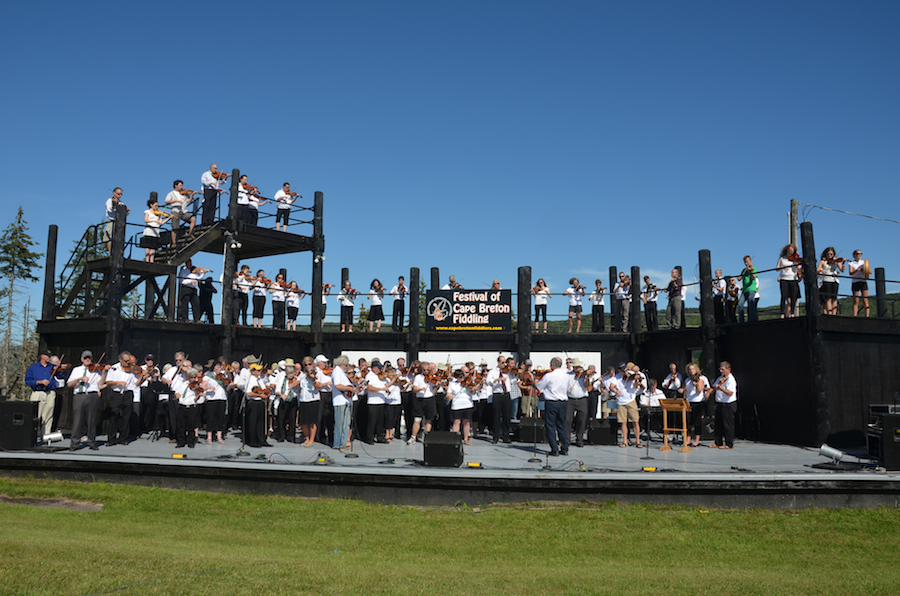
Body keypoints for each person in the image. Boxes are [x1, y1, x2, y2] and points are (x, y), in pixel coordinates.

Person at [66, 350, 102, 451]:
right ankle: (74, 443)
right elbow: (69, 384)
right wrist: (79, 379)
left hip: (92, 395)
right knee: (77, 420)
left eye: (89, 358)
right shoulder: (76, 370)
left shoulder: (96, 370)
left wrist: (104, 372)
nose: (87, 360)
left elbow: (101, 383)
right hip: (79, 395)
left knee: (91, 420)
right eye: (86, 358)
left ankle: (92, 442)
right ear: (82, 359)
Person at [536, 357, 572, 457]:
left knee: (550, 426)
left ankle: (554, 449)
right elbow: (569, 389)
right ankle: (564, 448)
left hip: (551, 402)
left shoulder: (549, 375)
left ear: (553, 365)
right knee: (562, 425)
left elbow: (539, 387)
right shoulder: (566, 376)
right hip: (562, 402)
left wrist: (534, 381)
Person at [101, 351, 138, 446]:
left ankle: (123, 438)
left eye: (129, 361)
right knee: (114, 415)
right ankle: (111, 439)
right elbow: (108, 382)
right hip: (116, 393)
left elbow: (136, 383)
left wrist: (143, 376)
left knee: (126, 416)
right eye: (126, 361)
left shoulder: (131, 369)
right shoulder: (114, 368)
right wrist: (118, 382)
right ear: (120, 360)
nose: (128, 363)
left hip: (128, 393)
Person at [25, 350, 61, 437]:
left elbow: (61, 376)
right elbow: (28, 381)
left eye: (50, 356)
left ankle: (46, 436)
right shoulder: (33, 367)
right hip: (38, 393)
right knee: (35, 415)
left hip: (50, 392)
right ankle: (32, 436)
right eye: (47, 356)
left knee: (48, 415)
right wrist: (40, 382)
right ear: (42, 356)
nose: (49, 358)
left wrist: (61, 369)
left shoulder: (52, 367)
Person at [331, 355, 358, 450]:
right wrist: (350, 389)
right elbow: (337, 385)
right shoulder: (336, 371)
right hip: (339, 401)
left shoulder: (342, 373)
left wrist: (355, 389)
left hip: (346, 400)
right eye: (346, 365)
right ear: (342, 364)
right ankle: (337, 444)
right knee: (339, 423)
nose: (347, 367)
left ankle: (343, 442)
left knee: (346, 423)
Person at [679, 362, 708, 447]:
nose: (691, 371)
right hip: (689, 401)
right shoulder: (687, 380)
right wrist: (681, 390)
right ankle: (688, 439)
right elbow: (684, 388)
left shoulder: (701, 378)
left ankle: (696, 440)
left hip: (698, 402)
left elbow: (699, 391)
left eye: (692, 369)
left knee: (697, 421)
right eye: (689, 369)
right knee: (688, 421)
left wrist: (696, 385)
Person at [709, 361, 737, 449]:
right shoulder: (720, 378)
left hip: (728, 404)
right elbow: (714, 387)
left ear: (728, 369)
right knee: (718, 424)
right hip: (720, 403)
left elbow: (730, 393)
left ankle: (729, 443)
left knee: (728, 425)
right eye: (720, 369)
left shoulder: (731, 379)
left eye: (722, 369)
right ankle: (718, 442)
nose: (720, 371)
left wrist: (721, 389)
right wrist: (709, 391)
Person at [408, 361, 437, 444]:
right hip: (420, 400)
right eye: (424, 370)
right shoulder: (418, 377)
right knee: (417, 419)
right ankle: (413, 437)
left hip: (430, 399)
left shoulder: (433, 377)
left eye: (428, 370)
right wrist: (420, 389)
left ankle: (426, 438)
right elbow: (414, 389)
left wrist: (438, 385)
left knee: (429, 420)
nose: (426, 372)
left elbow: (434, 391)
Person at [486, 356, 514, 443]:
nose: (504, 364)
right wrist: (498, 379)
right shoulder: (492, 372)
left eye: (505, 362)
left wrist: (517, 375)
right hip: (497, 395)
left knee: (506, 416)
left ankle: (506, 436)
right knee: (496, 416)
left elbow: (513, 380)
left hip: (506, 395)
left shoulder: (508, 371)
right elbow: (488, 381)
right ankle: (495, 436)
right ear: (498, 362)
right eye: (503, 362)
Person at [447, 368, 474, 445]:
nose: (462, 378)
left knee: (467, 422)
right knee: (456, 421)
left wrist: (474, 388)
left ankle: (466, 439)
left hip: (467, 404)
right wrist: (449, 397)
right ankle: (455, 439)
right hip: (457, 405)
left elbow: (472, 392)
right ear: (456, 377)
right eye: (460, 377)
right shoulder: (452, 384)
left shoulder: (468, 383)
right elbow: (448, 394)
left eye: (463, 376)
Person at [363, 360, 388, 444]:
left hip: (381, 401)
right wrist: (382, 389)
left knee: (380, 422)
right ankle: (369, 438)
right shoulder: (369, 376)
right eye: (379, 368)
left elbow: (386, 385)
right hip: (373, 402)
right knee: (372, 421)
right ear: (374, 368)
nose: (380, 370)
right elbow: (370, 388)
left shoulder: (381, 376)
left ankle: (380, 437)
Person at [566, 360, 590, 447]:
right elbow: (565, 384)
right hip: (570, 399)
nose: (577, 368)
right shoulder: (568, 375)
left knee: (582, 419)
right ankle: (567, 440)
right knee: (568, 420)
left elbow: (586, 386)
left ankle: (579, 439)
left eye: (578, 366)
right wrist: (568, 388)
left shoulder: (583, 375)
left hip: (581, 399)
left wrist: (587, 377)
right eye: (576, 366)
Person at [164, 180, 196, 244]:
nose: (181, 187)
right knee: (175, 227)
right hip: (176, 210)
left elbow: (189, 202)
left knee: (193, 219)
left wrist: (192, 195)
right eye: (180, 185)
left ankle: (190, 233)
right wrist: (176, 201)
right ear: (176, 186)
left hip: (184, 211)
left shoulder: (184, 193)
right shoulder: (171, 193)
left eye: (181, 185)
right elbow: (167, 201)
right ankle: (174, 242)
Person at [203, 364, 228, 444]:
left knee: (220, 418)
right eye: (218, 367)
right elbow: (202, 387)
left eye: (220, 367)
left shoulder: (222, 376)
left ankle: (219, 437)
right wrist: (209, 388)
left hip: (222, 398)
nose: (219, 369)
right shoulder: (208, 376)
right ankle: (209, 437)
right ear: (214, 368)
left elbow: (226, 388)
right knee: (211, 418)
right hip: (212, 399)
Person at [777, 244, 802, 319]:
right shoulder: (782, 258)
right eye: (789, 250)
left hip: (793, 279)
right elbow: (777, 268)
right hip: (784, 278)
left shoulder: (795, 259)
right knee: (784, 296)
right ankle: (782, 313)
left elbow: (799, 269)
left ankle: (792, 313)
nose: (790, 252)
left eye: (792, 251)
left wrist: (798, 264)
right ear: (787, 250)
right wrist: (782, 267)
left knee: (793, 297)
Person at [142, 198, 170, 262]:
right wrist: (154, 220)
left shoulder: (158, 213)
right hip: (149, 230)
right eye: (155, 205)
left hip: (156, 231)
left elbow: (161, 223)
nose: (157, 207)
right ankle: (147, 259)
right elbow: (146, 220)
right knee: (148, 246)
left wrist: (168, 218)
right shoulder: (147, 212)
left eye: (157, 205)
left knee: (153, 246)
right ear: (151, 205)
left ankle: (151, 260)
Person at [817, 247, 844, 316]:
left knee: (834, 298)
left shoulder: (836, 262)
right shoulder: (823, 262)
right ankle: (830, 313)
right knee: (828, 298)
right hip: (826, 280)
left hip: (834, 280)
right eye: (828, 254)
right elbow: (817, 270)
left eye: (831, 254)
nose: (829, 255)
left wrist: (843, 263)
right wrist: (821, 270)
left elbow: (842, 270)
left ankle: (834, 313)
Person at [103, 187, 129, 253]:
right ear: (114, 193)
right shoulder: (109, 201)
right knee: (109, 238)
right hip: (112, 221)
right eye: (118, 194)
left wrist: (127, 209)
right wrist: (114, 204)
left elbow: (126, 214)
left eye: (121, 194)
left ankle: (117, 252)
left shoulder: (121, 203)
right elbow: (110, 210)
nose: (119, 196)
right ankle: (111, 253)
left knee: (118, 238)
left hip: (119, 222)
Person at [849, 249, 870, 317]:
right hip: (855, 282)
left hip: (863, 281)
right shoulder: (852, 263)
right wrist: (857, 270)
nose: (859, 255)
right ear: (854, 255)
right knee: (856, 300)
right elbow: (850, 273)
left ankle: (867, 316)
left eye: (860, 254)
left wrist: (865, 269)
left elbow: (870, 272)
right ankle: (855, 316)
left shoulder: (864, 262)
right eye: (858, 254)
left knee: (865, 300)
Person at [738, 256, 758, 323]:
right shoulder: (744, 270)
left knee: (751, 303)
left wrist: (751, 272)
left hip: (751, 289)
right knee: (740, 304)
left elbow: (753, 278)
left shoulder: (754, 268)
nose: (746, 264)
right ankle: (741, 320)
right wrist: (740, 276)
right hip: (744, 290)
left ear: (750, 261)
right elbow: (739, 278)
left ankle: (751, 320)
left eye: (747, 262)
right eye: (745, 262)